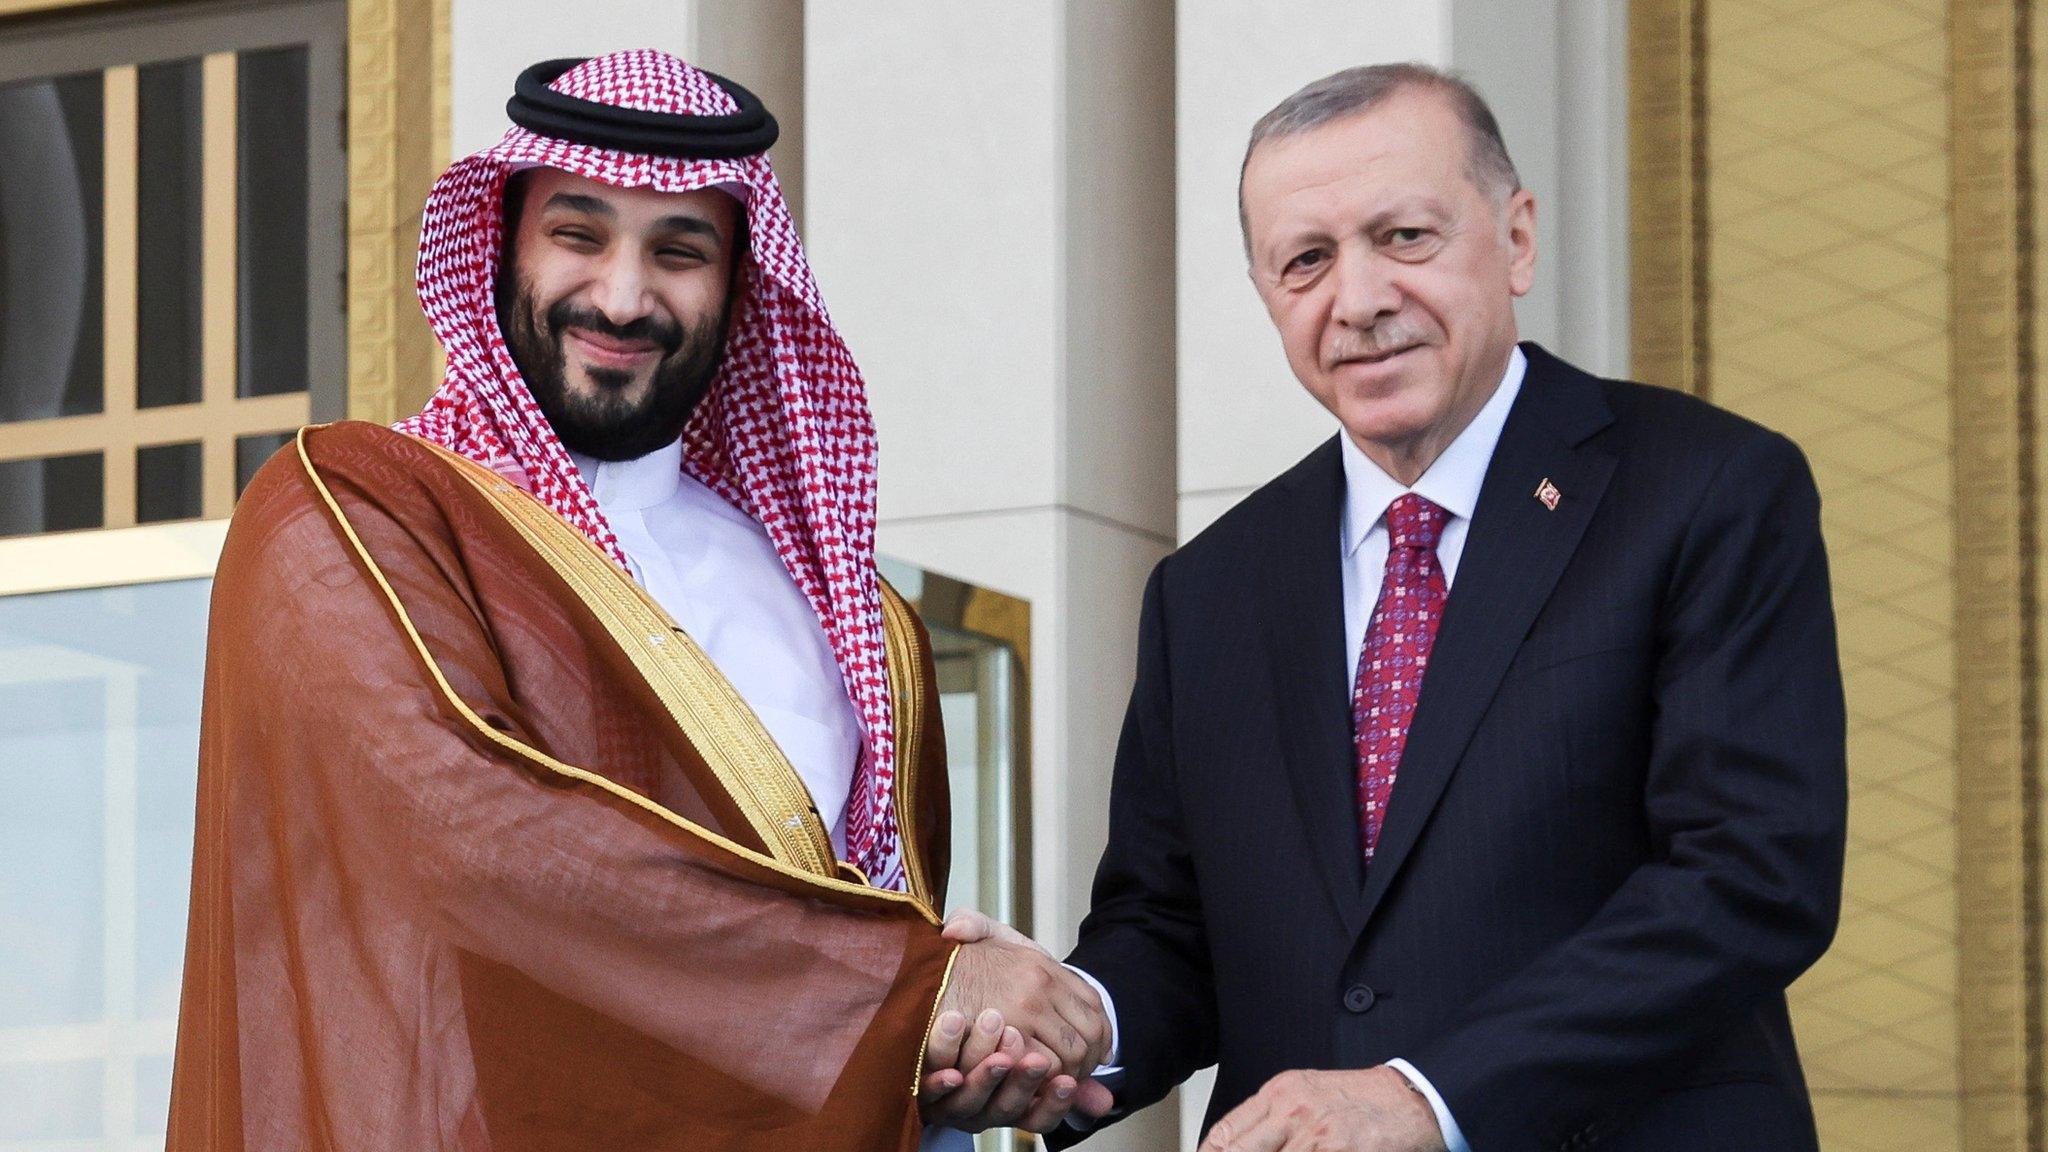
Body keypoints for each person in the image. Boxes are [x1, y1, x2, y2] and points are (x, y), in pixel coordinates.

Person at [165, 50, 1109, 1151]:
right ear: (502, 241)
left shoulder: (854, 621)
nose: (622, 295)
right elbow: (469, 842)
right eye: (578, 234)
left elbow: (859, 994)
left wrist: (965, 1055)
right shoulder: (355, 510)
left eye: (678, 251)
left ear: (739, 283)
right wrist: (912, 994)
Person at [936, 63, 1848, 1151]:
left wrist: (1427, 1093)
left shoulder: (1707, 488)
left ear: (1514, 239)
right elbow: (1170, 926)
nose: (1356, 301)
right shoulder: (1209, 587)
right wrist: (1067, 1023)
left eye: (1403, 237)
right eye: (1305, 261)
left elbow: (1748, 878)